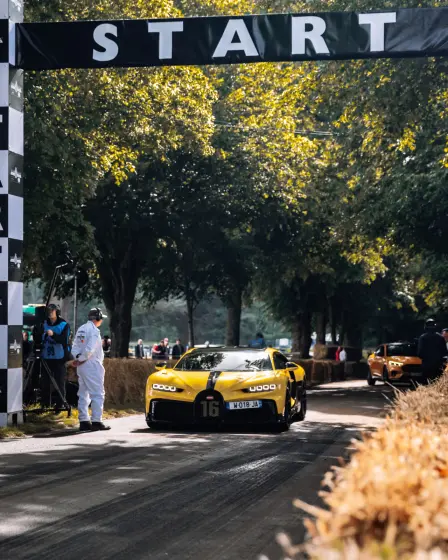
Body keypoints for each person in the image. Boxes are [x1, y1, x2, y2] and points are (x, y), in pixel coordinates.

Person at [72, 307, 110, 431]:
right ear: (97, 318)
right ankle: (96, 421)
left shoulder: (81, 328)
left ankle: (83, 421)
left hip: (81, 365)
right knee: (98, 393)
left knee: (83, 393)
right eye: (101, 319)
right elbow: (90, 349)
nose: (101, 321)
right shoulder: (94, 331)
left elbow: (75, 347)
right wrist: (82, 358)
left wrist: (77, 358)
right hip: (91, 364)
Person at [41, 303, 71, 410]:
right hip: (46, 357)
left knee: (59, 383)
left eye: (52, 310)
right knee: (45, 383)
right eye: (48, 310)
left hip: (59, 358)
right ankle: (45, 405)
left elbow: (64, 340)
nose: (50, 312)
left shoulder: (64, 325)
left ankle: (60, 405)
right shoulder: (43, 323)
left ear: (56, 312)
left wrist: (53, 334)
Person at [418, 319, 447, 384]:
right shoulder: (441, 338)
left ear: (425, 327)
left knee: (426, 384)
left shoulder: (422, 338)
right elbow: (445, 352)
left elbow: (419, 353)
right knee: (437, 383)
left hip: (426, 365)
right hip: (438, 365)